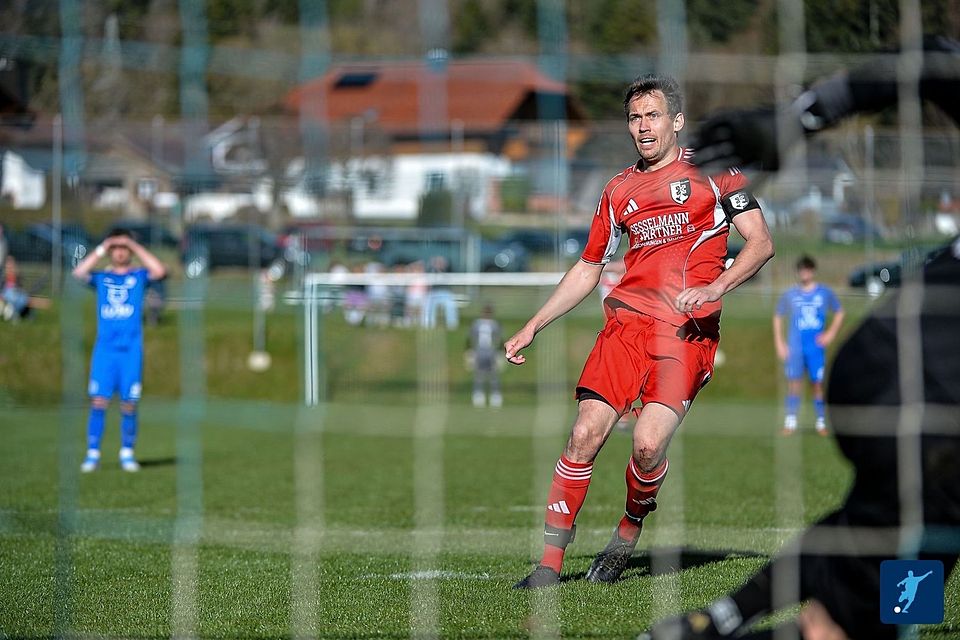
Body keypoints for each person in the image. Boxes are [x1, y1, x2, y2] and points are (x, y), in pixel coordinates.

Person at [639, 36, 960, 640]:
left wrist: (798, 119)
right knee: (891, 607)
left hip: (878, 357)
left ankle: (717, 622)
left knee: (878, 556)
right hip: (940, 406)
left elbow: (931, 57)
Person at [506, 73, 775, 589]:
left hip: (686, 334)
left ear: (676, 121)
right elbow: (588, 267)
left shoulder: (718, 173)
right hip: (625, 327)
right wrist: (533, 325)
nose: (643, 126)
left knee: (648, 446)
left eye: (653, 115)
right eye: (634, 117)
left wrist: (718, 287)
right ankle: (549, 567)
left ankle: (626, 534)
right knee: (584, 433)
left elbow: (761, 244)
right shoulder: (617, 190)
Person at [72, 229, 166, 472]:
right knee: (99, 401)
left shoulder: (139, 275)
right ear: (111, 252)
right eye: (117, 248)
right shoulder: (102, 278)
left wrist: (135, 246)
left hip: (131, 352)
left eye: (124, 248)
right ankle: (93, 454)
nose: (120, 252)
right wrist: (104, 245)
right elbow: (78, 272)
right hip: (105, 352)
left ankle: (127, 452)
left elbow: (160, 271)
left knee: (129, 403)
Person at [773, 255, 844, 435]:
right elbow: (778, 316)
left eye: (808, 269)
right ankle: (790, 422)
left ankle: (821, 423)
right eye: (801, 269)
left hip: (815, 348)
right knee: (794, 383)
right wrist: (780, 343)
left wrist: (830, 334)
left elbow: (839, 312)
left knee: (817, 384)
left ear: (813, 271)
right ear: (798, 272)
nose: (805, 272)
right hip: (795, 347)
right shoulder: (791, 294)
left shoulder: (824, 293)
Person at [468, 303, 503, 408]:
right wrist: (470, 352)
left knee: (492, 375)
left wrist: (500, 353)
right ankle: (480, 396)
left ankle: (494, 397)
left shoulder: (492, 324)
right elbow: (471, 338)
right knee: (480, 375)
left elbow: (499, 339)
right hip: (482, 352)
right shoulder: (480, 324)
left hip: (488, 352)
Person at [2, 255, 31, 321]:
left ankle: (14, 313)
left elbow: (20, 285)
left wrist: (19, 289)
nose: (10, 265)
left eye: (11, 263)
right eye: (8, 263)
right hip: (6, 292)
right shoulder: (3, 274)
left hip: (16, 291)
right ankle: (14, 314)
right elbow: (2, 288)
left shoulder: (17, 273)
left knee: (23, 298)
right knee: (13, 297)